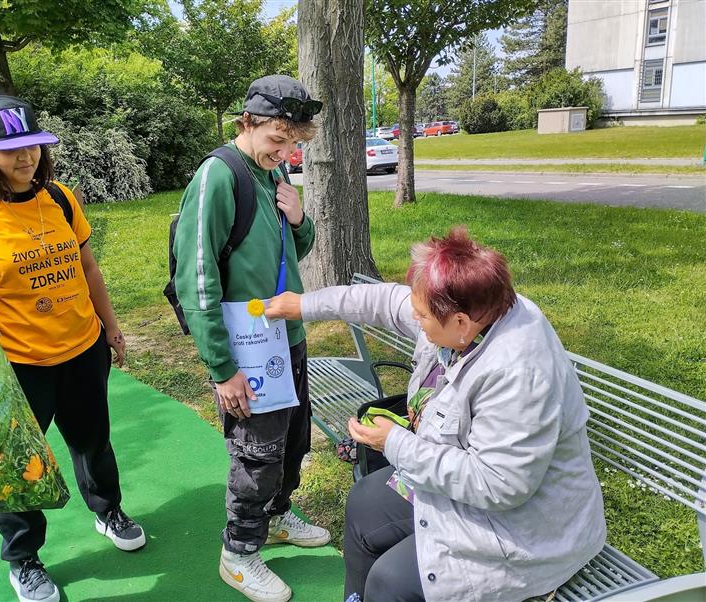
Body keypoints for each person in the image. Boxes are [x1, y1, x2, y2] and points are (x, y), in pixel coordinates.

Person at [266, 228, 607, 602]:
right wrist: (303, 305)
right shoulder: (473, 310)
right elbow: (381, 301)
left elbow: (498, 484)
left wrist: (394, 443)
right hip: (463, 493)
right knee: (365, 502)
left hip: (525, 531)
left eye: (423, 316)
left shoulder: (518, 371)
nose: (414, 318)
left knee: (390, 582)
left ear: (460, 323)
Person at [0, 94, 145, 602]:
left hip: (83, 347)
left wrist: (111, 329)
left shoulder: (61, 198)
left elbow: (87, 268)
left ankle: (107, 510)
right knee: (19, 463)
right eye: (10, 149)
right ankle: (24, 558)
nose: (26, 157)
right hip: (18, 365)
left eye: (33, 146)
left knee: (93, 440)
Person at [173, 74, 329, 602]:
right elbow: (196, 279)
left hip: (287, 334)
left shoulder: (274, 171)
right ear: (247, 123)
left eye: (294, 143)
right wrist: (223, 369)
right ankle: (239, 553)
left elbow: (292, 250)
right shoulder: (219, 176)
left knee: (293, 441)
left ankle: (278, 516)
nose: (285, 153)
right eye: (277, 140)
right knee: (257, 454)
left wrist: (299, 218)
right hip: (247, 349)